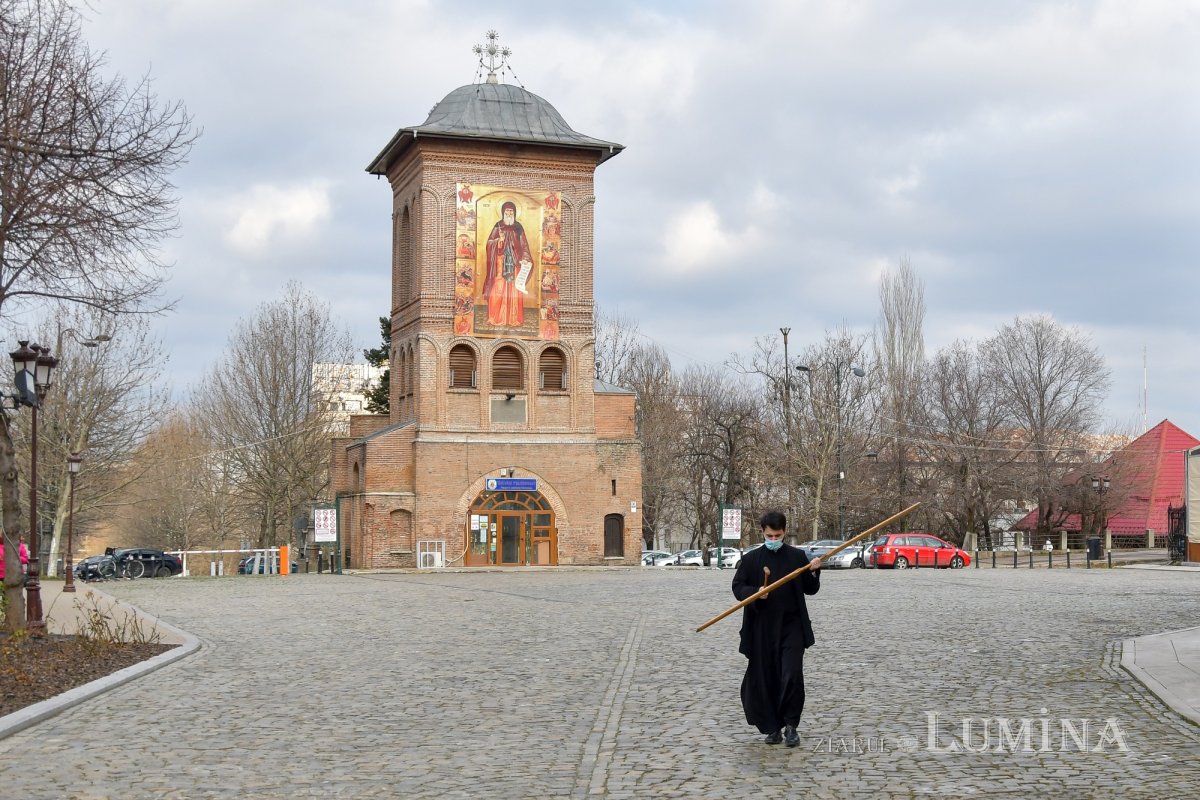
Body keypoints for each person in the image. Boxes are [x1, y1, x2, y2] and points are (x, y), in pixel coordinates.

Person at [731, 510, 821, 747]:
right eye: (769, 536)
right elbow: (738, 587)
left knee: (791, 675)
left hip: (791, 627)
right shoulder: (751, 560)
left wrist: (814, 570)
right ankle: (772, 727)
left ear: (784, 533)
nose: (773, 540)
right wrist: (754, 593)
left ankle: (791, 725)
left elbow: (810, 589)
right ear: (762, 533)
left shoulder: (796, 557)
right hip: (761, 628)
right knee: (765, 677)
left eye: (777, 536)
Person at [483, 201, 533, 327]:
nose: (509, 213)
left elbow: (524, 245)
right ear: (503, 212)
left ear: (514, 213)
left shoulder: (518, 227)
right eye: (507, 211)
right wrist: (499, 241)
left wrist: (526, 257)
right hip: (500, 262)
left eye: (511, 211)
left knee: (514, 290)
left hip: (515, 263)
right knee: (498, 288)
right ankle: (495, 317)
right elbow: (489, 243)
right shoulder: (498, 226)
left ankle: (513, 319)